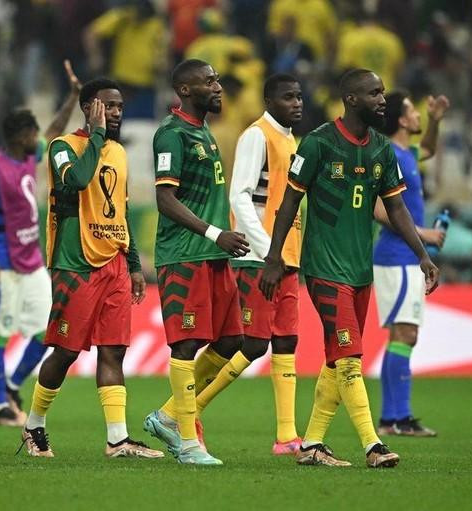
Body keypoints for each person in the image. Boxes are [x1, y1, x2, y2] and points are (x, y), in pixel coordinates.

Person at [259, 68, 439, 468]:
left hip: (360, 271)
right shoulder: (319, 143)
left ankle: (312, 444)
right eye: (375, 93)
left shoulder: (380, 148)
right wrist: (275, 257)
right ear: (352, 99)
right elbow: (288, 202)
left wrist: (422, 253)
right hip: (324, 268)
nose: (382, 100)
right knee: (351, 358)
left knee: (336, 360)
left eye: (384, 93)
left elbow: (396, 208)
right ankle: (373, 445)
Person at [19, 77, 163, 460]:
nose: (116, 112)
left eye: (118, 106)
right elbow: (78, 181)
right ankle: (34, 425)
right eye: (107, 106)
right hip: (75, 263)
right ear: (89, 108)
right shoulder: (63, 147)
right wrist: (97, 137)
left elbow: (123, 210)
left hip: (114, 262)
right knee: (66, 352)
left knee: (114, 350)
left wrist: (133, 265)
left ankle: (118, 439)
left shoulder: (118, 152)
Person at [142, 59, 250, 466]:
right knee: (185, 344)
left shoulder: (202, 131)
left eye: (217, 79)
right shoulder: (171, 135)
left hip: (214, 255)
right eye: (209, 81)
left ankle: (169, 415)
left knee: (230, 342)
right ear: (185, 90)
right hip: (185, 255)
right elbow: (165, 199)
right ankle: (188, 442)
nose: (218, 87)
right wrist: (214, 233)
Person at [0, 60, 82, 427]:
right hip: (0, 263)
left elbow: (54, 129)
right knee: (0, 334)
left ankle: (15, 385)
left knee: (45, 331)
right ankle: (1, 407)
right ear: (20, 135)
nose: (39, 138)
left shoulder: (29, 157)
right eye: (33, 133)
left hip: (31, 262)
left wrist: (73, 98)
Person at [221, 73, 304, 455]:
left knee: (286, 340)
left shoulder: (290, 139)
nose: (297, 103)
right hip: (261, 259)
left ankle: (286, 435)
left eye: (299, 97)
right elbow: (240, 198)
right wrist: (268, 251)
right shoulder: (257, 135)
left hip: (284, 256)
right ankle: (181, 413)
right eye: (288, 97)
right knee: (254, 344)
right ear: (269, 100)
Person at [373, 91, 449, 437]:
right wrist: (423, 235)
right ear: (402, 120)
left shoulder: (406, 153)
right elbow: (378, 208)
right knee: (406, 333)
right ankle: (398, 419)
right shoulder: (389, 153)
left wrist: (435, 120)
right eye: (414, 110)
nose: (418, 115)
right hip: (397, 255)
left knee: (401, 335)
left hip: (403, 257)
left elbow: (430, 149)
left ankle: (393, 419)